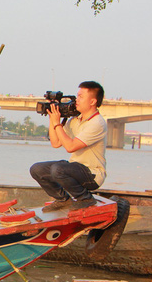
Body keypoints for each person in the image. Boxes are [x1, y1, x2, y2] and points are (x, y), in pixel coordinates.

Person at [29, 81, 107, 212]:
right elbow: (56, 143)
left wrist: (57, 124)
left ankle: (86, 198)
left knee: (58, 169)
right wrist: (52, 119)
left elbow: (70, 147)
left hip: (92, 174)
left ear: (92, 101)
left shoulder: (97, 123)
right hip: (74, 168)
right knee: (37, 169)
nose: (77, 100)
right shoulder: (76, 120)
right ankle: (62, 200)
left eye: (81, 96)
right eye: (77, 96)